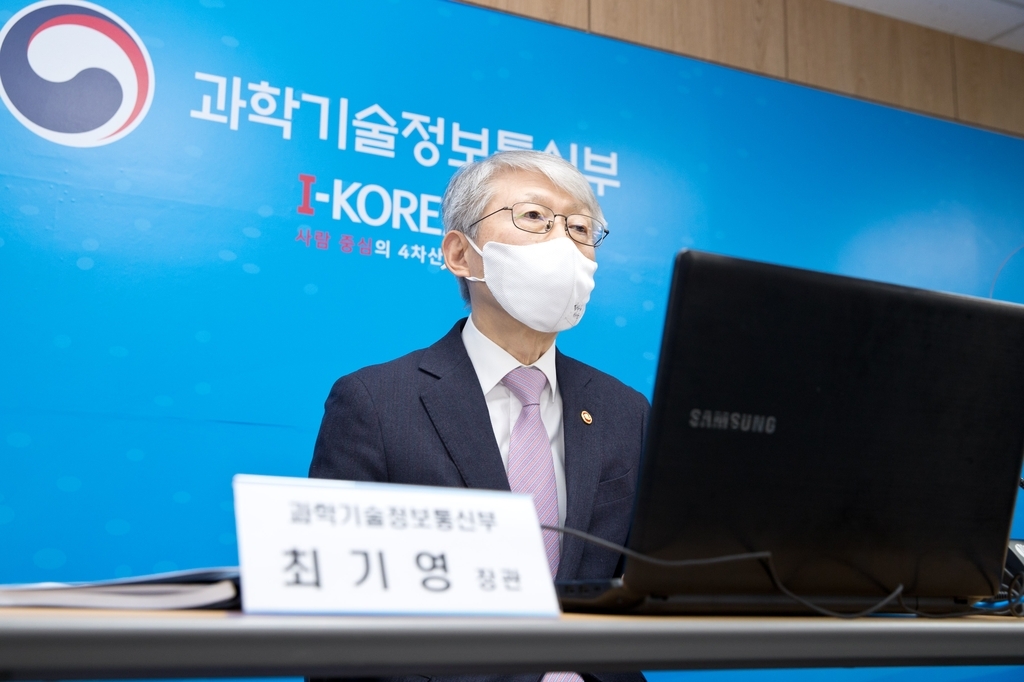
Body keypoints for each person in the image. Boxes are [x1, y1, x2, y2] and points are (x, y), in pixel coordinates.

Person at [310, 150, 649, 682]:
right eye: (535, 217)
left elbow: (641, 589)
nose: (564, 243)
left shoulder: (624, 409)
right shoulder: (375, 402)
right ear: (461, 255)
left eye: (581, 228)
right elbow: (333, 616)